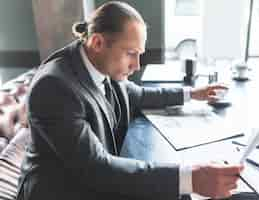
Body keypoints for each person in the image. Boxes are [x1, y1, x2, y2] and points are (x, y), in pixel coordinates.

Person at [17, 1, 243, 200]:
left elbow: (138, 95)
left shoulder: (99, 62)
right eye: (131, 53)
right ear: (97, 42)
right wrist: (191, 179)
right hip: (61, 190)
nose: (137, 65)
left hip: (94, 175)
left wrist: (193, 94)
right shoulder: (54, 87)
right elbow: (96, 169)